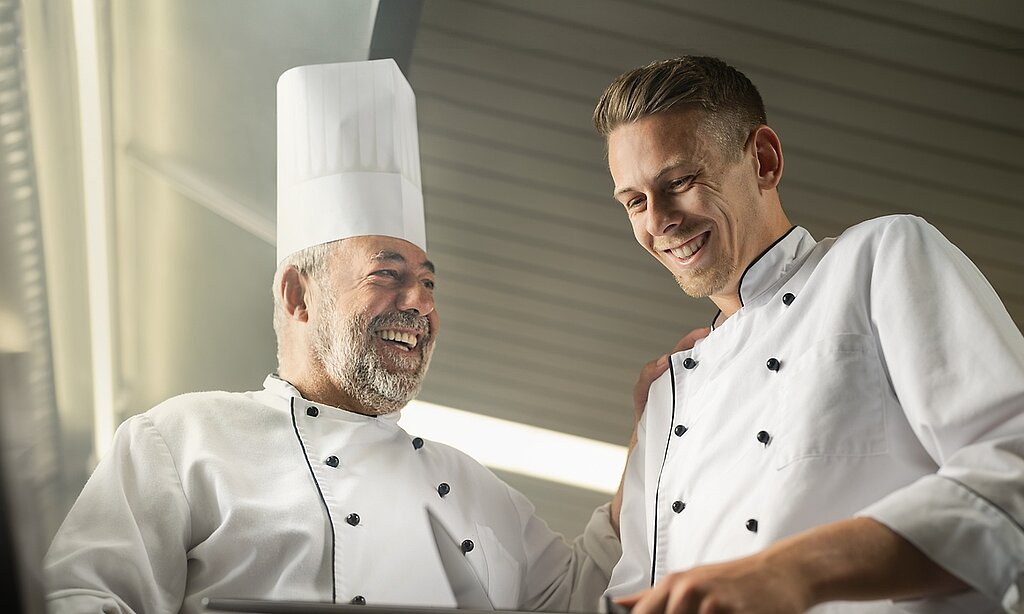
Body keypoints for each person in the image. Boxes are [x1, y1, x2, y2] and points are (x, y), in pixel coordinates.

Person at [43, 59, 623, 614]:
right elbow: (83, 596)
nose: (420, 302)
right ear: (298, 294)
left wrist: (654, 435)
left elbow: (591, 596)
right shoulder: (181, 441)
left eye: (427, 283)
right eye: (387, 275)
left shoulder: (478, 492)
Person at [592, 56, 1024, 614]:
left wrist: (790, 572)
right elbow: (634, 590)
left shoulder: (877, 259)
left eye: (678, 182)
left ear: (764, 160)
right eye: (634, 202)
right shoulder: (665, 398)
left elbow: (1012, 462)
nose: (657, 221)